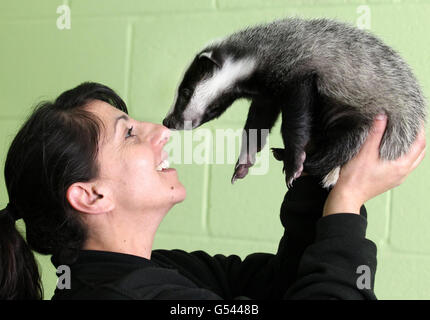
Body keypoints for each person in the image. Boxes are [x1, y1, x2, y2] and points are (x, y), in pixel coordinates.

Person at [0, 82, 425, 300]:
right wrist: (348, 199)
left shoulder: (154, 271)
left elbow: (284, 282)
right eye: (128, 133)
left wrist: (317, 171)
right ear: (91, 196)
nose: (160, 131)